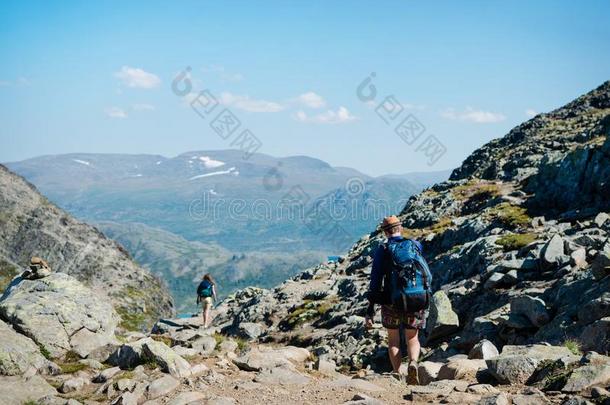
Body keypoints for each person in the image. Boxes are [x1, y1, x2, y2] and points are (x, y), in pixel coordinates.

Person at [365, 215, 432, 385]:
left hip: (391, 300)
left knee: (393, 339)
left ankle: (396, 373)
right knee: (412, 337)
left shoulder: (383, 249)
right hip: (416, 298)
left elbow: (375, 279)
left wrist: (370, 307)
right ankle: (413, 363)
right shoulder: (415, 245)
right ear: (400, 228)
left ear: (385, 232)